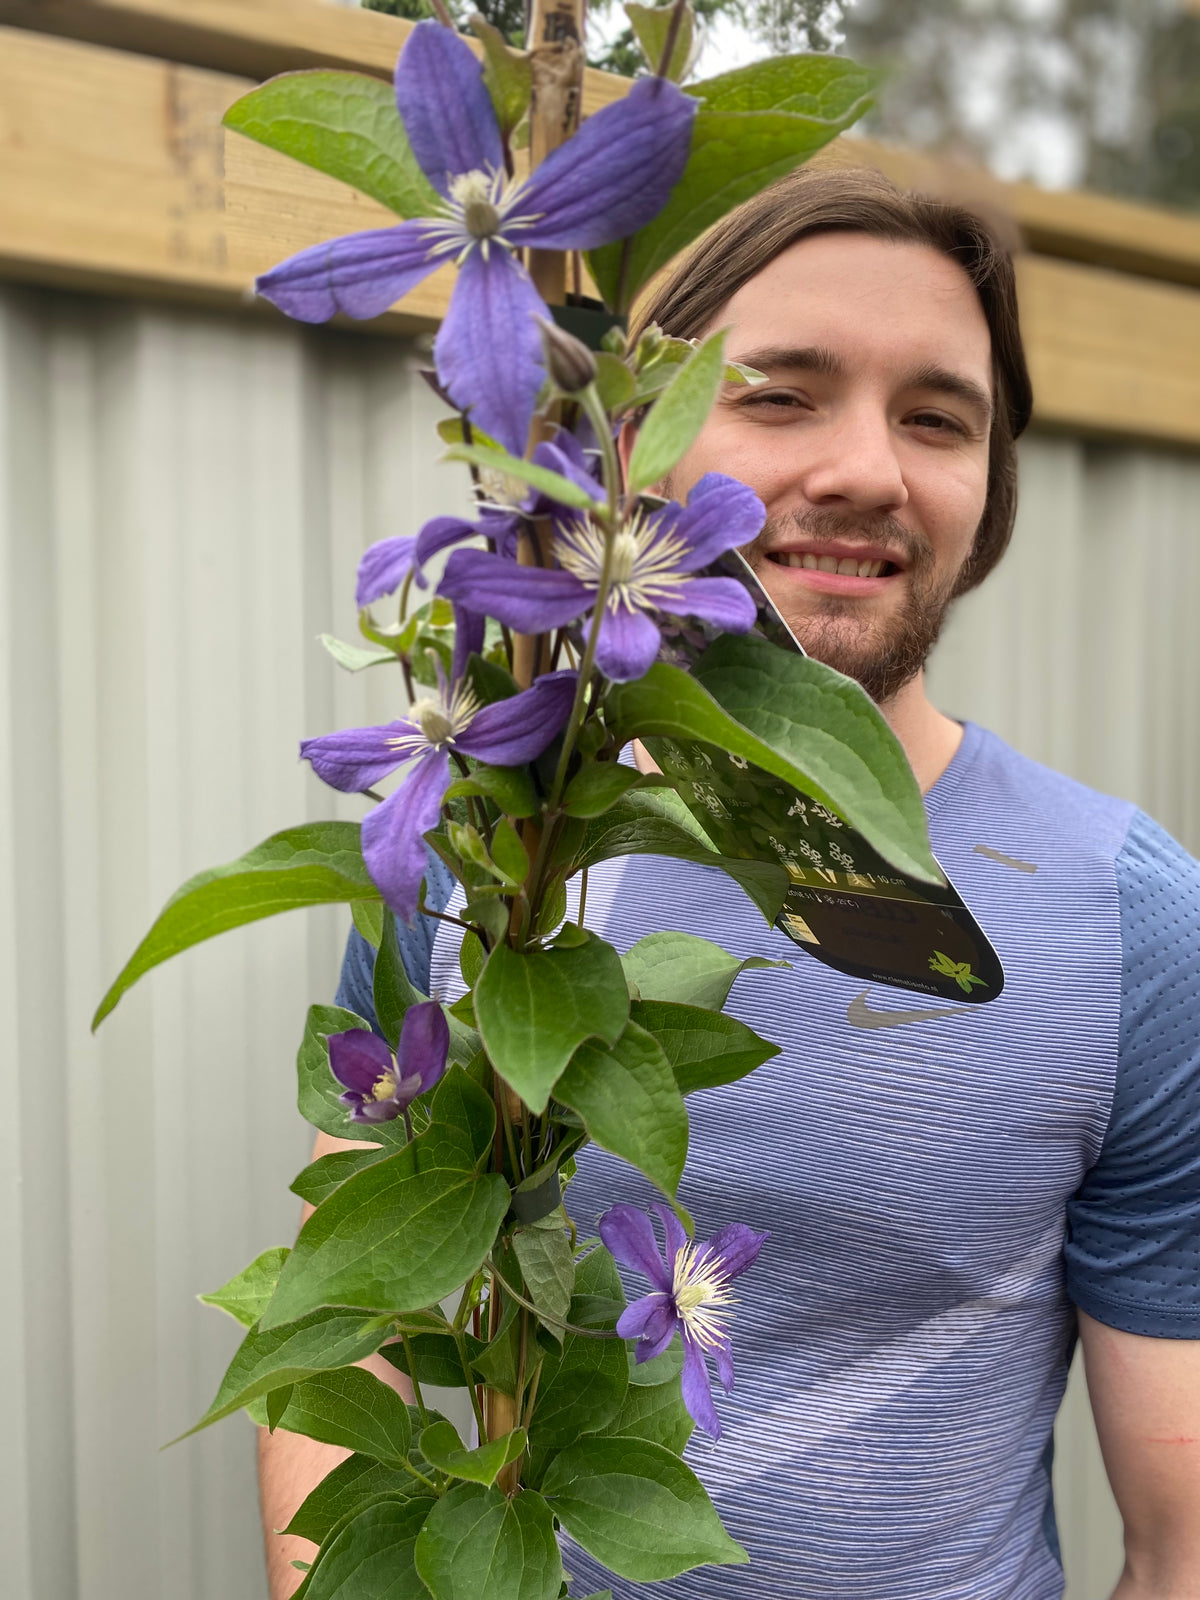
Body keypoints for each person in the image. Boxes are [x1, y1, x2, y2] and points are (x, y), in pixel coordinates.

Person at [258, 166, 1200, 1599]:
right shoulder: (470, 864)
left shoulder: (1128, 924)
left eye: (938, 418)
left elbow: (1182, 1539)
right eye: (778, 395)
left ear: (992, 483)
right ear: (625, 442)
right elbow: (343, 1318)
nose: (869, 470)